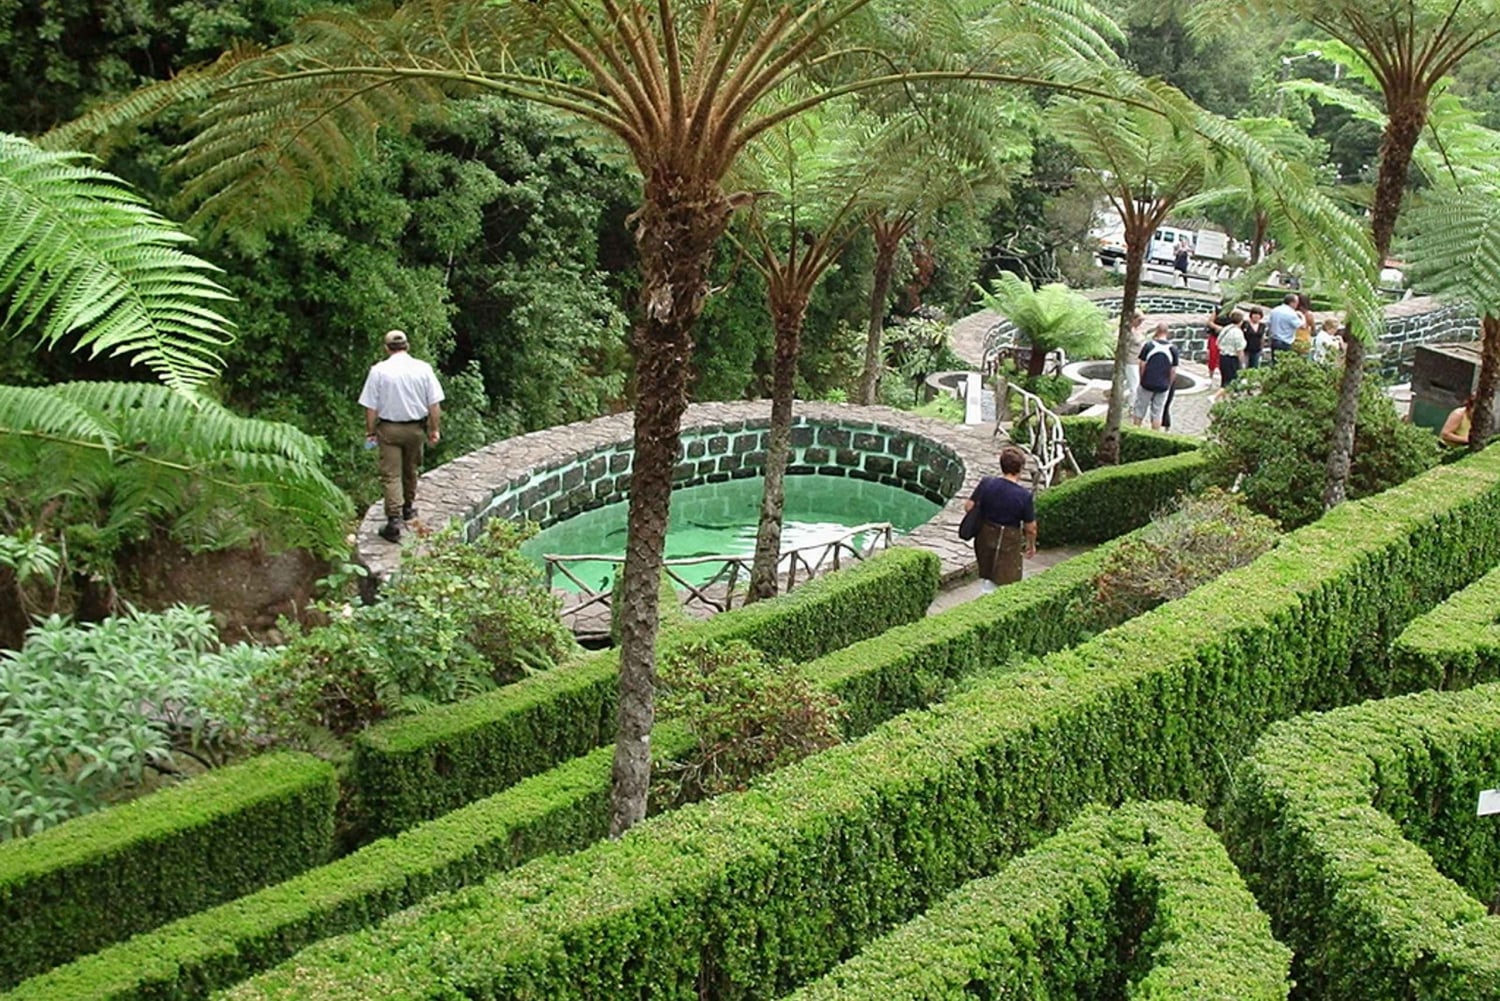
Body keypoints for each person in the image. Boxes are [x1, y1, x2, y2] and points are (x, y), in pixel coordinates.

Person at [359, 329, 445, 542]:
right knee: (411, 470)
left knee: (391, 475)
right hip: (416, 429)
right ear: (407, 346)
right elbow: (434, 405)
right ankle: (408, 508)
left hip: (388, 429)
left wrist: (370, 431)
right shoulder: (423, 369)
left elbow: (371, 408)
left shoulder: (379, 371)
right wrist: (434, 429)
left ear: (386, 348)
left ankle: (393, 521)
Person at [964, 446, 1037, 591]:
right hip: (1008, 540)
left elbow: (968, 506)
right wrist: (1031, 545)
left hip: (985, 535)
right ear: (1021, 468)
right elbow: (1031, 528)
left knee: (986, 571)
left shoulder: (987, 483)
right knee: (1006, 577)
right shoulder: (1024, 496)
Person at [1131, 322, 1179, 430]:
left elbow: (1142, 364)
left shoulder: (1149, 346)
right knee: (1157, 412)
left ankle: (1136, 431)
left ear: (1157, 331)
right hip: (1163, 386)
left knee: (1139, 410)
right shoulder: (1173, 349)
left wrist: (1142, 378)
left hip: (1147, 383)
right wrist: (1169, 384)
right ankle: (1155, 433)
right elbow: (1173, 371)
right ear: (1168, 333)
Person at [1215, 310, 1247, 393]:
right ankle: (1215, 397)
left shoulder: (1226, 328)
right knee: (1231, 382)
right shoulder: (1238, 332)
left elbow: (1217, 342)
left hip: (1222, 356)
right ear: (1241, 321)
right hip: (1232, 359)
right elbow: (1239, 349)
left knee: (1224, 380)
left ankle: (1223, 400)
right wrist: (1243, 363)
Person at [1266, 293, 1301, 363]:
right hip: (1286, 342)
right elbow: (1301, 326)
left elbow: (1269, 325)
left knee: (1275, 363)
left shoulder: (1274, 310)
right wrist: (1302, 316)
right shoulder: (1291, 313)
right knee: (1286, 364)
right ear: (1292, 303)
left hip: (1275, 341)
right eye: (1297, 302)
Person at [1124, 309, 1146, 400]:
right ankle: (1132, 406)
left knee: (1129, 383)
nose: (1141, 323)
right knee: (1135, 385)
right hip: (1130, 361)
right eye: (1139, 320)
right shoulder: (1127, 331)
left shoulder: (1136, 329)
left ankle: (1110, 394)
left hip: (1137, 360)